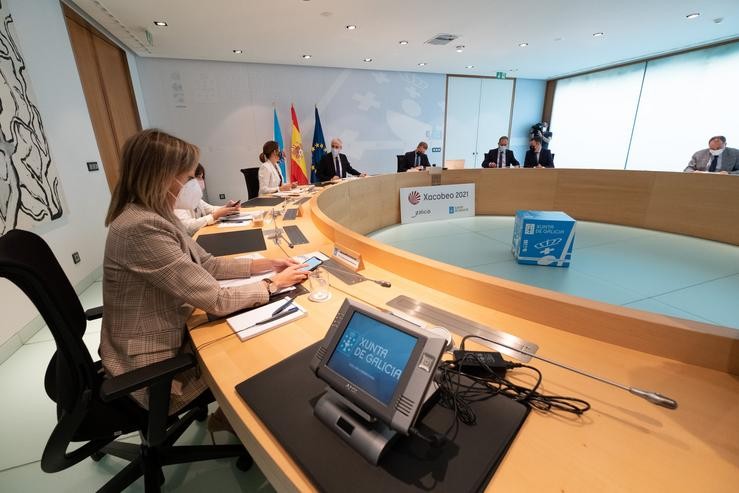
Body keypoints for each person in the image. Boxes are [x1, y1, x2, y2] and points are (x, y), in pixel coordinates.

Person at [101, 129, 309, 421]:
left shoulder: (157, 213)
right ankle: (231, 422)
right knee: (262, 348)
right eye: (187, 178)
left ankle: (227, 419)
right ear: (161, 177)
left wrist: (267, 265)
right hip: (150, 368)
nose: (195, 184)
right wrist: (272, 286)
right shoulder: (140, 227)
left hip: (170, 334)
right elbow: (216, 299)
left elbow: (207, 265)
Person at [174, 163, 241, 236]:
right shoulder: (177, 202)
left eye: (202, 177)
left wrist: (226, 207)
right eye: (199, 177)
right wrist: (214, 216)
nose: (202, 181)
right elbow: (188, 227)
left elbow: (210, 209)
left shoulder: (195, 198)